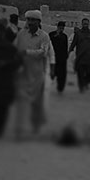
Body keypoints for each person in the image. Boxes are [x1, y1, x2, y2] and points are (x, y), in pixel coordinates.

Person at [14, 10, 53, 138]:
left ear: (38, 22)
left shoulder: (44, 36)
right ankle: (19, 128)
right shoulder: (21, 35)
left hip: (37, 75)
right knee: (21, 101)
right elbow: (15, 49)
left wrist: (27, 52)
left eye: (33, 20)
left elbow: (43, 52)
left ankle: (35, 126)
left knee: (36, 102)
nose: (30, 23)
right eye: (28, 20)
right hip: (23, 73)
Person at [69, 18, 90, 92]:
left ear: (89, 24)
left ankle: (86, 83)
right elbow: (73, 43)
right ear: (82, 24)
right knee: (80, 73)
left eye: (87, 23)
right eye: (84, 23)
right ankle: (81, 86)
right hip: (80, 57)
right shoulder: (78, 33)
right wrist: (69, 50)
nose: (85, 25)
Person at [49, 21, 69, 93]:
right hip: (53, 57)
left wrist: (66, 56)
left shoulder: (64, 36)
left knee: (62, 74)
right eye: (60, 28)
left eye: (62, 28)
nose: (61, 29)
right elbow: (49, 45)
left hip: (62, 58)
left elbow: (65, 47)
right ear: (57, 27)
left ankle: (60, 88)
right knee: (51, 73)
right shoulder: (52, 34)